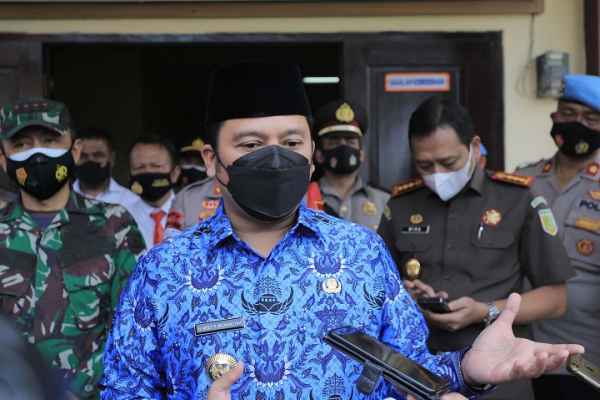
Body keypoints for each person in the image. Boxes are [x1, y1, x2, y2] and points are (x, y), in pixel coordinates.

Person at [100, 62, 583, 400]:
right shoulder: (162, 270)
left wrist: (467, 370)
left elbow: (407, 372)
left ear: (311, 154)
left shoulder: (360, 251)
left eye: (292, 141)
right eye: (250, 144)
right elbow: (124, 391)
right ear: (212, 160)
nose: (276, 157)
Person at [377, 95, 574, 400]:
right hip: (419, 377)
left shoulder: (517, 199)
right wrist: (407, 295)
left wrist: (484, 311)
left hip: (501, 376)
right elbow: (377, 290)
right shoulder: (401, 204)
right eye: (425, 165)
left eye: (449, 163)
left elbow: (555, 299)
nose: (437, 174)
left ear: (473, 146)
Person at [0, 98, 145, 399]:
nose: (37, 154)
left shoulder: (113, 224)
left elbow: (136, 328)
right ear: (3, 159)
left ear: (75, 150)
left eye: (50, 141)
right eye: (22, 145)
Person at [516, 74, 600, 400]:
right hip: (524, 349)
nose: (578, 124)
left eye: (591, 118)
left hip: (586, 355)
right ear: (554, 117)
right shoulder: (522, 180)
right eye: (569, 114)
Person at [313, 99, 390, 230]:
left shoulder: (384, 201)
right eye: (334, 142)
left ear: (361, 154)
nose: (343, 147)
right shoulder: (302, 200)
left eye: (351, 142)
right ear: (319, 155)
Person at [127, 135, 180, 250]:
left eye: (156, 166)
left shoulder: (194, 214)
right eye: (139, 167)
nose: (148, 172)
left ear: (175, 174)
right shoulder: (120, 218)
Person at [73, 127, 140, 210]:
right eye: (83, 156)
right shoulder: (61, 199)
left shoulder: (132, 202)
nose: (90, 160)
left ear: (112, 158)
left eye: (98, 155)